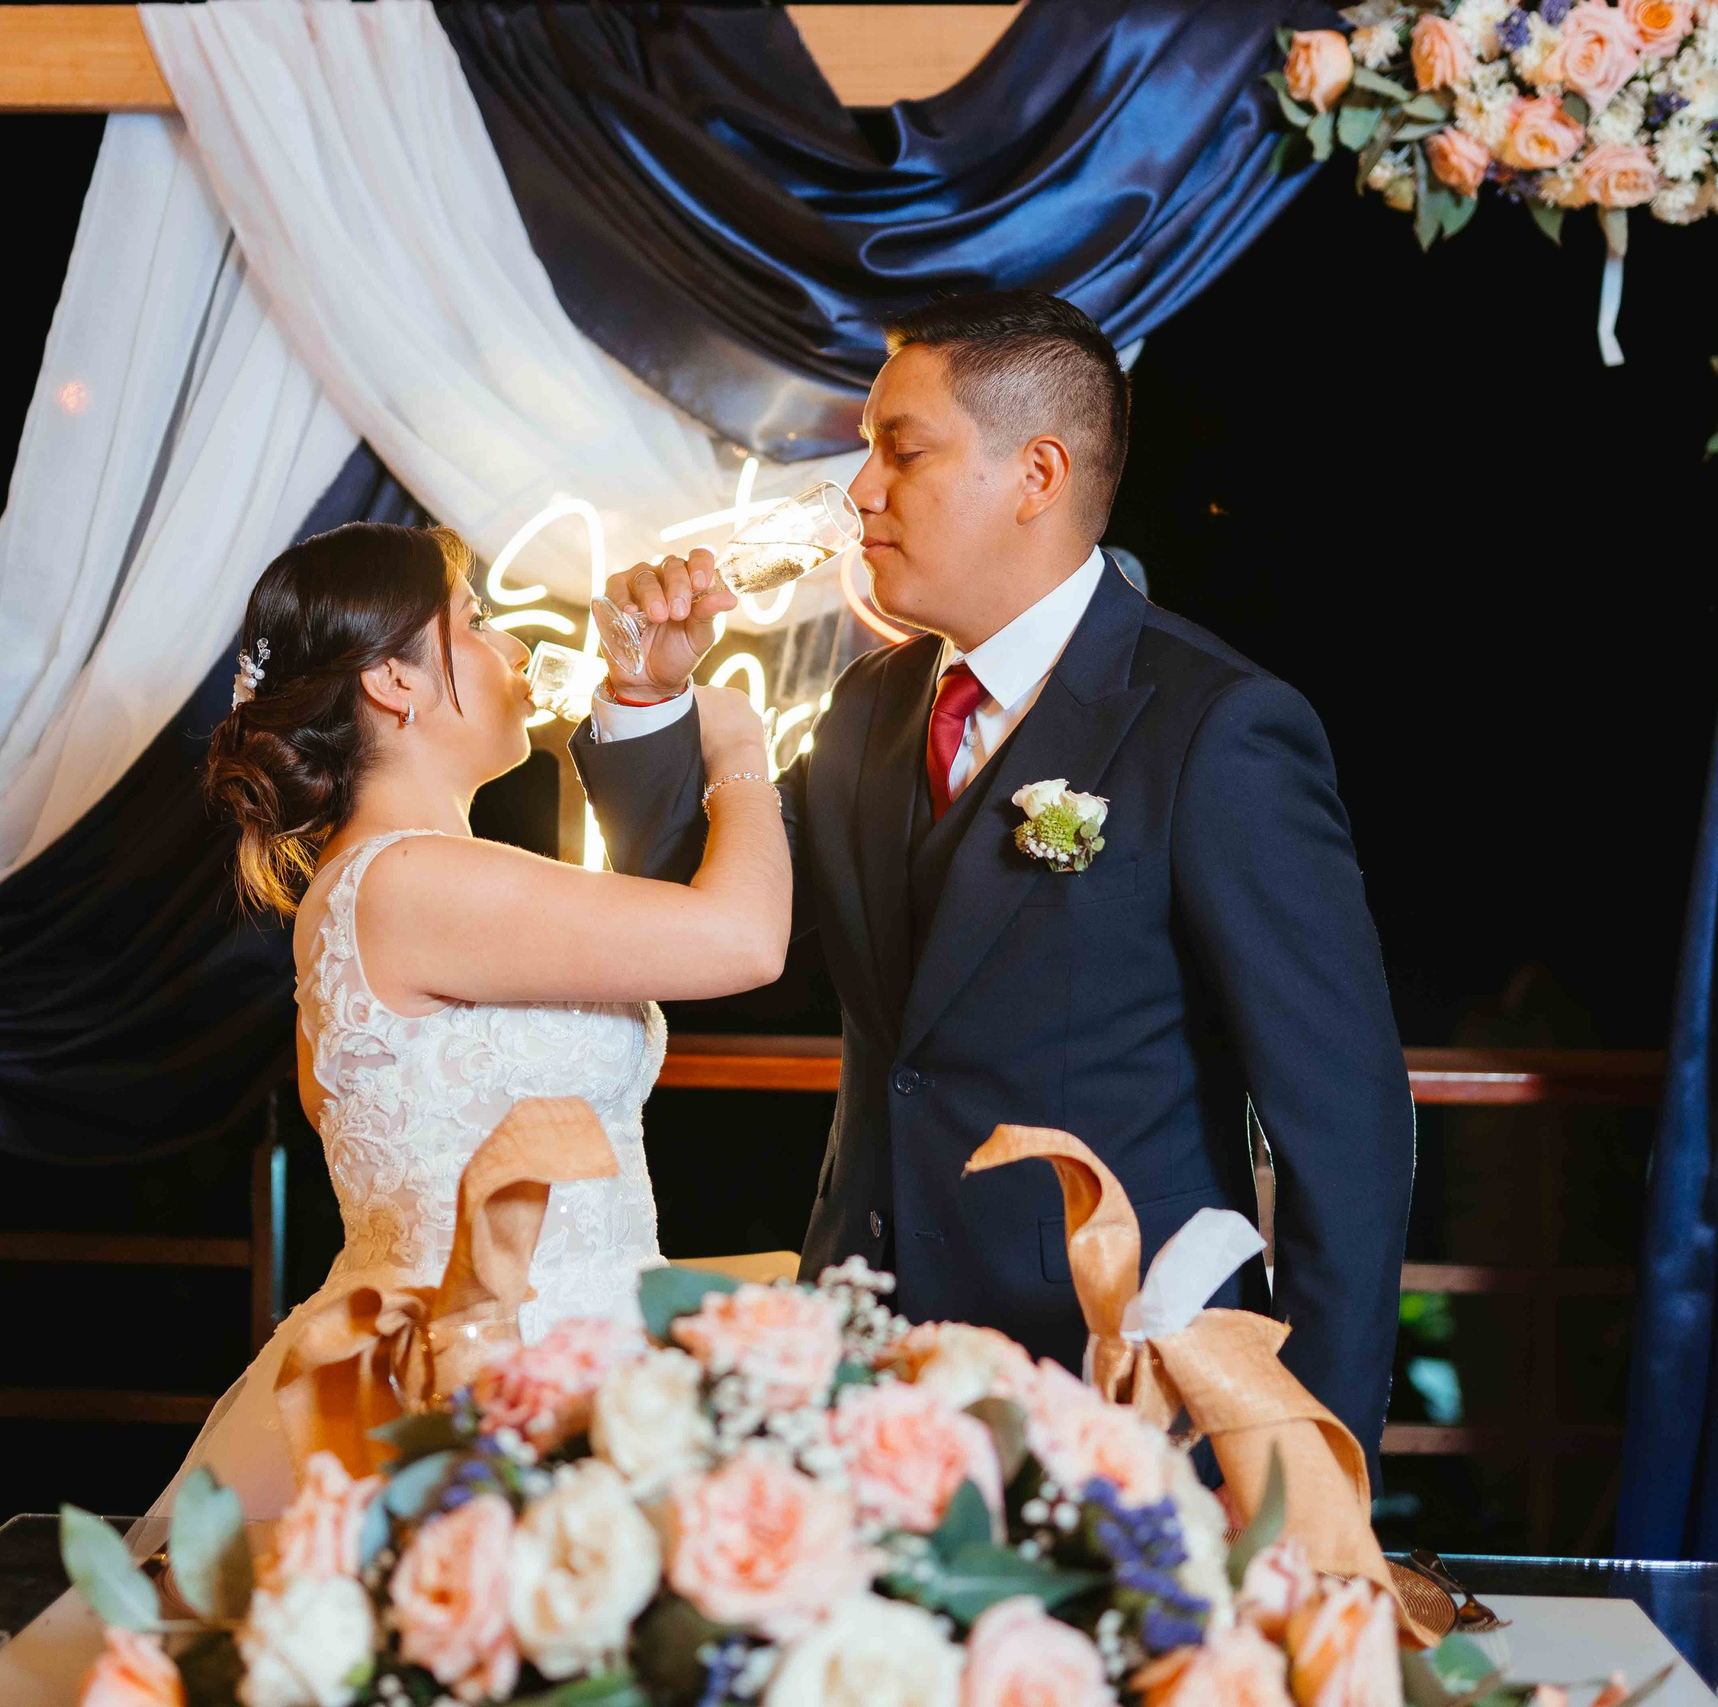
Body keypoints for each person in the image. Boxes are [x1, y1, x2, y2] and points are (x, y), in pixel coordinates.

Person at [573, 291, 1416, 1474]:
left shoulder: (1215, 728)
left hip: (1119, 1395)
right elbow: (704, 920)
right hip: (860, 1382)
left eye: (899, 452)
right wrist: (648, 700)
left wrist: (1308, 1458)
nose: (861, 489)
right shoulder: (869, 709)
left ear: (1037, 473)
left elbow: (1346, 1129)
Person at [149, 521, 789, 1523]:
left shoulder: (391, 882)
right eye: (477, 623)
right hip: (492, 1382)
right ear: (392, 682)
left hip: (550, 1355)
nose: (517, 649)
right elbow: (743, 940)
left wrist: (647, 699)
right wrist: (739, 743)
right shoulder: (410, 881)